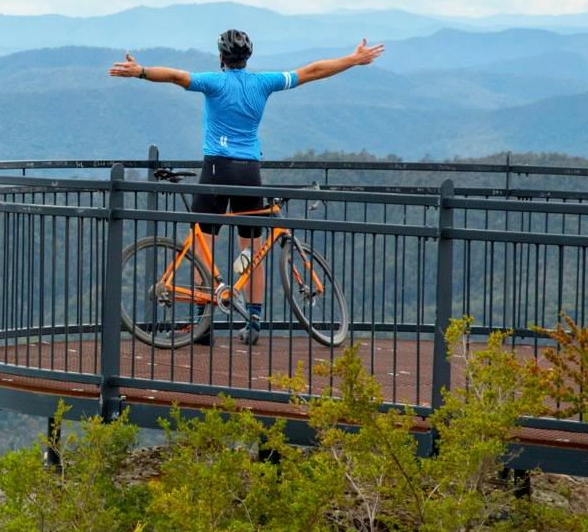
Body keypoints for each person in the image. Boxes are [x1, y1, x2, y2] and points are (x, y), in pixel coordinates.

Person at [108, 30, 384, 340]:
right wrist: (353, 59)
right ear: (248, 58)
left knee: (203, 244)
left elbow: (175, 76)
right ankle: (252, 322)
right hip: (249, 172)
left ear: (222, 58)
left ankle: (203, 324)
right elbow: (312, 70)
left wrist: (140, 72)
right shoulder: (263, 83)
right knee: (250, 249)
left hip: (216, 169)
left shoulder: (214, 82)